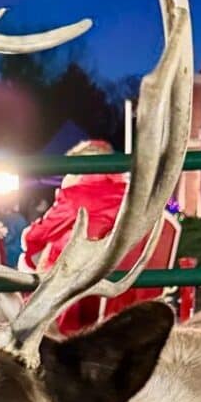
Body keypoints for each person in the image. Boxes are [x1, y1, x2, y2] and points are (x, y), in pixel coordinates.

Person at [19, 139, 170, 335]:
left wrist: (28, 241)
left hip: (80, 294)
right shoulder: (135, 197)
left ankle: (36, 333)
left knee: (38, 261)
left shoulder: (76, 194)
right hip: (132, 291)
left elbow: (36, 235)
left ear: (77, 168)